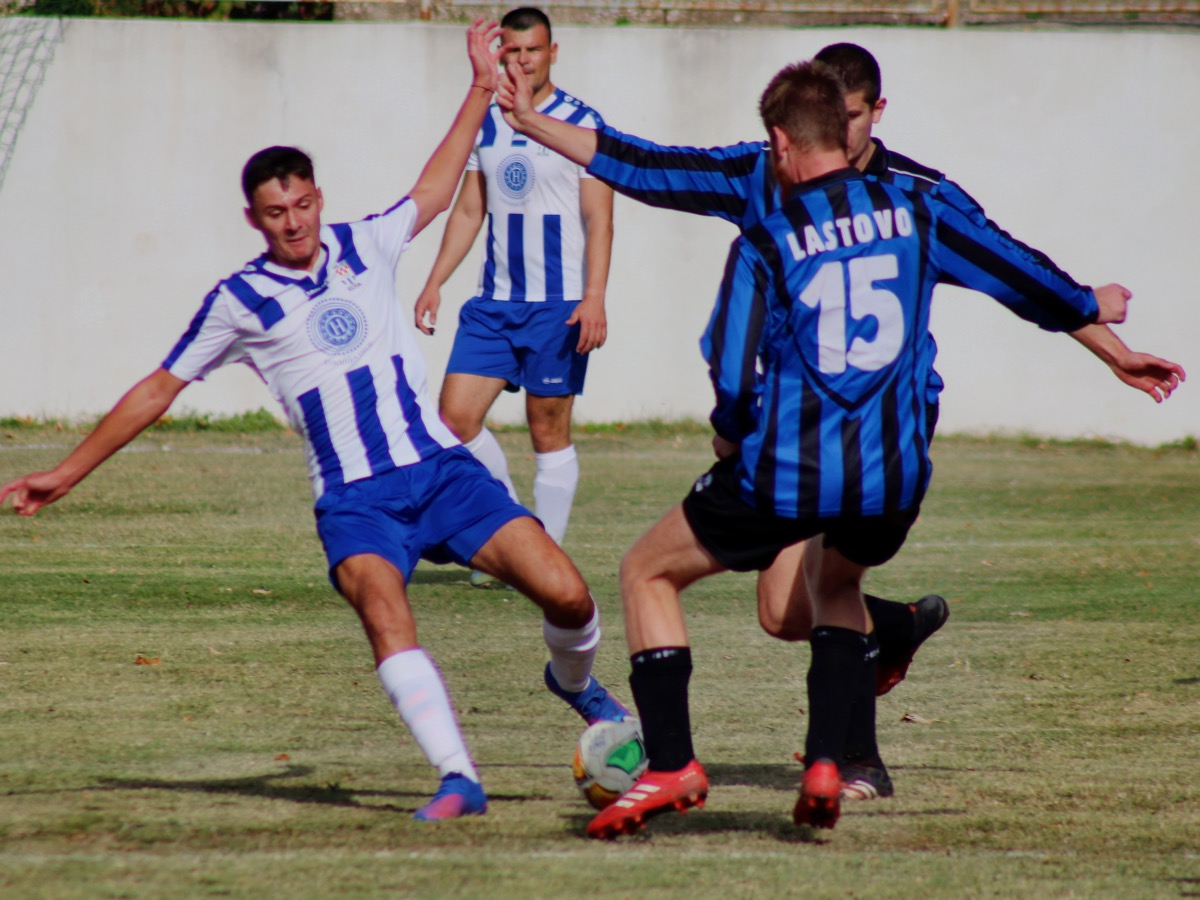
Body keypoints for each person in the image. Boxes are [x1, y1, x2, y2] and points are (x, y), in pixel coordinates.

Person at [494, 42, 1185, 804]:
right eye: (837, 118)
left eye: (855, 117)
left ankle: (855, 758)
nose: (846, 135)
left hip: (873, 426)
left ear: (874, 113)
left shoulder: (915, 194)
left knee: (809, 580)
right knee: (783, 609)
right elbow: (648, 166)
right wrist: (531, 120)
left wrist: (1109, 348)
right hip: (802, 428)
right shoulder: (768, 174)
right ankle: (887, 642)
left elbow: (1012, 271)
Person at [0, 21, 630, 823]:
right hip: (356, 501)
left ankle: (575, 686)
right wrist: (66, 471)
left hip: (441, 472)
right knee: (386, 615)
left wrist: (480, 85)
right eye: (275, 212)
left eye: (301, 204)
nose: (293, 222)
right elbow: (159, 387)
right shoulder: (240, 300)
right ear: (253, 218)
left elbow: (436, 190)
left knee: (570, 596)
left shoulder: (367, 244)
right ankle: (458, 778)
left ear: (318, 199)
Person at [414, 7, 613, 587]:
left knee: (546, 432)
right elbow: (469, 210)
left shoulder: (583, 123)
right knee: (453, 420)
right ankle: (510, 529)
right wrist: (434, 280)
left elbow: (599, 219)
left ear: (553, 53)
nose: (523, 61)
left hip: (560, 306)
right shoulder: (487, 122)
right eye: (513, 52)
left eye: (533, 50)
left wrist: (594, 297)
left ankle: (540, 562)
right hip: (494, 305)